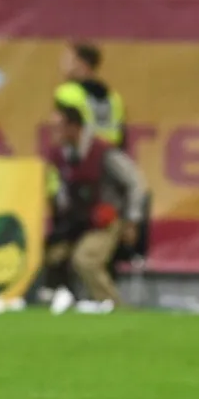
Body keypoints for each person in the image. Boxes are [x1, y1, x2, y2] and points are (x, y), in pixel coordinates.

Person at [43, 103, 146, 308]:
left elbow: (136, 183)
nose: (53, 132)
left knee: (85, 259)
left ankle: (112, 306)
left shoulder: (104, 152)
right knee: (50, 255)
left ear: (74, 127)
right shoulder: (61, 156)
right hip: (75, 222)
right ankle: (62, 304)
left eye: (58, 127)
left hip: (106, 221)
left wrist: (132, 220)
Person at [54, 42, 126, 149]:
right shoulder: (114, 98)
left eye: (68, 59)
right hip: (111, 153)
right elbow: (122, 134)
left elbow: (62, 133)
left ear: (82, 64)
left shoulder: (66, 94)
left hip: (83, 154)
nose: (62, 64)